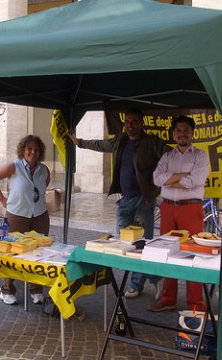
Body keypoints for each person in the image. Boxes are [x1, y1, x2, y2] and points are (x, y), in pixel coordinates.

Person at [68, 108, 168, 299]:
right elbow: (100, 144)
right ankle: (155, 277)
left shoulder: (151, 142)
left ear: (142, 123)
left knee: (140, 245)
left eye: (134, 121)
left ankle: (137, 285)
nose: (130, 125)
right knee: (122, 244)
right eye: (127, 121)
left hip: (143, 200)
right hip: (124, 200)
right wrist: (79, 142)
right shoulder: (120, 140)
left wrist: (160, 180)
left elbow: (169, 155)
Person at [148, 115, 210, 312]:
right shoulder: (167, 156)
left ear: (192, 133)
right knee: (167, 252)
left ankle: (195, 303)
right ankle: (168, 299)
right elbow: (157, 179)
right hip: (167, 208)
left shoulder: (200, 156)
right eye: (178, 130)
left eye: (186, 130)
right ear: (174, 133)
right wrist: (183, 177)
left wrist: (171, 179)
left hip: (191, 208)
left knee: (194, 253)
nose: (182, 134)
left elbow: (197, 179)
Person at [0, 135, 50, 305]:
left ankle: (36, 289)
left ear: (40, 152)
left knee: (39, 252)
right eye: (29, 148)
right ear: (23, 150)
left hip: (39, 215)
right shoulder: (14, 167)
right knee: (13, 252)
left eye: (36, 149)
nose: (33, 152)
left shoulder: (44, 170)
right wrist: (2, 199)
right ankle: (6, 289)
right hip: (17, 215)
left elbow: (44, 187)